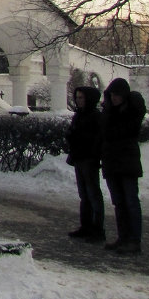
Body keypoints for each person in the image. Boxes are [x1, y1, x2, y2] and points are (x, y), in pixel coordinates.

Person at [100, 77, 146, 255]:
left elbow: (126, 131)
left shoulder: (130, 112)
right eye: (112, 95)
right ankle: (123, 236)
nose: (114, 98)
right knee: (119, 202)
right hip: (112, 161)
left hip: (126, 162)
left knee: (131, 201)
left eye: (117, 95)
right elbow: (104, 132)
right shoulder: (109, 112)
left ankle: (134, 240)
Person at [65, 86, 105, 242]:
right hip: (79, 157)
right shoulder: (79, 115)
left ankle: (97, 229)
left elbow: (96, 138)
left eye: (82, 97)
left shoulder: (95, 116)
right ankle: (86, 226)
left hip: (89, 158)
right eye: (78, 97)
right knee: (84, 194)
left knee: (93, 194)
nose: (78, 100)